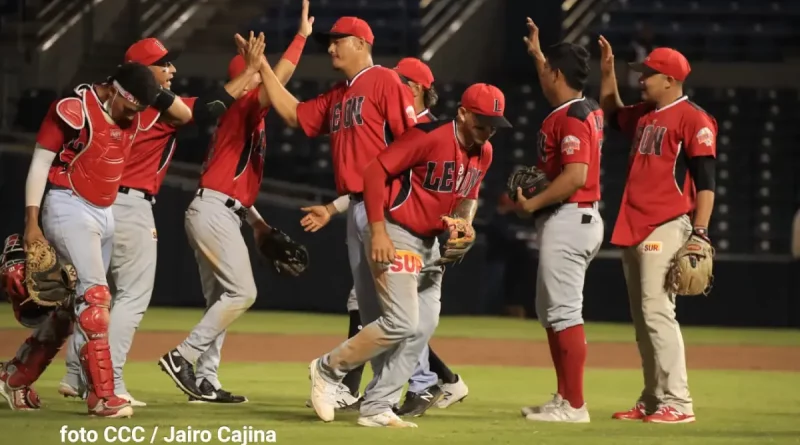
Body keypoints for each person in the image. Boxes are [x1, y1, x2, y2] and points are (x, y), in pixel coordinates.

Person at [57, 35, 266, 406]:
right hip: (129, 204)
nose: (171, 70)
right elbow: (209, 108)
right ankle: (111, 382)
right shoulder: (156, 104)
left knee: (93, 296)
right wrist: (251, 69)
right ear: (142, 71)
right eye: (163, 64)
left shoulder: (111, 100)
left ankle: (75, 374)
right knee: (131, 297)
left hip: (95, 200)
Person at [308, 83, 510, 428]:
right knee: (402, 321)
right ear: (462, 113)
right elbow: (374, 172)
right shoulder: (427, 136)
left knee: (422, 327)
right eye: (481, 123)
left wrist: (464, 224)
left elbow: (469, 195)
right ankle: (327, 369)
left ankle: (377, 405)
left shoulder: (484, 151)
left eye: (493, 125)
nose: (488, 131)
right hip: (396, 230)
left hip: (430, 243)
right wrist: (379, 230)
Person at [254, 15, 419, 422]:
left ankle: (330, 370)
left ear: (362, 42)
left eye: (338, 41)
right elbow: (294, 114)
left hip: (389, 209)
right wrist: (262, 70)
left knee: (399, 318)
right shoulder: (340, 94)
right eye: (328, 41)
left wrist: (410, 211)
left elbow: (413, 144)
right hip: (356, 209)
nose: (330, 48)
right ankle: (378, 405)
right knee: (373, 314)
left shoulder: (385, 81)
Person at [157, 5, 312, 401]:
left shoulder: (249, 120)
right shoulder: (243, 107)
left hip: (221, 208)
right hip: (213, 212)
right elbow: (284, 77)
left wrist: (257, 223)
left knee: (220, 299)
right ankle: (182, 357)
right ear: (245, 82)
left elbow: (236, 187)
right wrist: (301, 38)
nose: (267, 83)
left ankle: (205, 379)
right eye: (260, 77)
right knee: (242, 293)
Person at [300, 57, 469, 416]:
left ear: (417, 88)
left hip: (409, 232)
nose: (393, 85)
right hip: (383, 220)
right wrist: (333, 209)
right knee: (382, 312)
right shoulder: (406, 129)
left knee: (400, 318)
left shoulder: (427, 131)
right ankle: (387, 396)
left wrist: (461, 224)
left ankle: (421, 382)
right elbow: (374, 178)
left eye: (400, 80)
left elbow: (460, 190)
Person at [7, 62, 163, 417]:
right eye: (131, 104)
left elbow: (184, 113)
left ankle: (15, 376)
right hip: (68, 205)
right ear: (114, 89)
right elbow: (39, 164)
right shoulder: (74, 109)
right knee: (95, 298)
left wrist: (158, 82)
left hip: (105, 212)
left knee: (68, 310)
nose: (134, 114)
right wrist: (32, 223)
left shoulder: (133, 114)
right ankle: (103, 397)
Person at [597, 37, 717, 424]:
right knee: (643, 316)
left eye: (647, 74)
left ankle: (679, 403)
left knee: (657, 312)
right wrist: (607, 73)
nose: (641, 79)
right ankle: (653, 398)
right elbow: (612, 113)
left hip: (665, 223)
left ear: (669, 79)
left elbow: (707, 180)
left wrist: (700, 232)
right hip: (634, 222)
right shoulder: (645, 114)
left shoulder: (693, 118)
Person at [514, 19, 604, 424]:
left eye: (547, 67)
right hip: (572, 219)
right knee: (551, 311)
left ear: (559, 74)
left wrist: (532, 205)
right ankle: (565, 397)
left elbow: (575, 176)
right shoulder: (581, 107)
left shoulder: (569, 117)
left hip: (571, 217)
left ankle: (575, 405)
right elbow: (554, 75)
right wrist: (536, 53)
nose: (542, 74)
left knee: (564, 312)